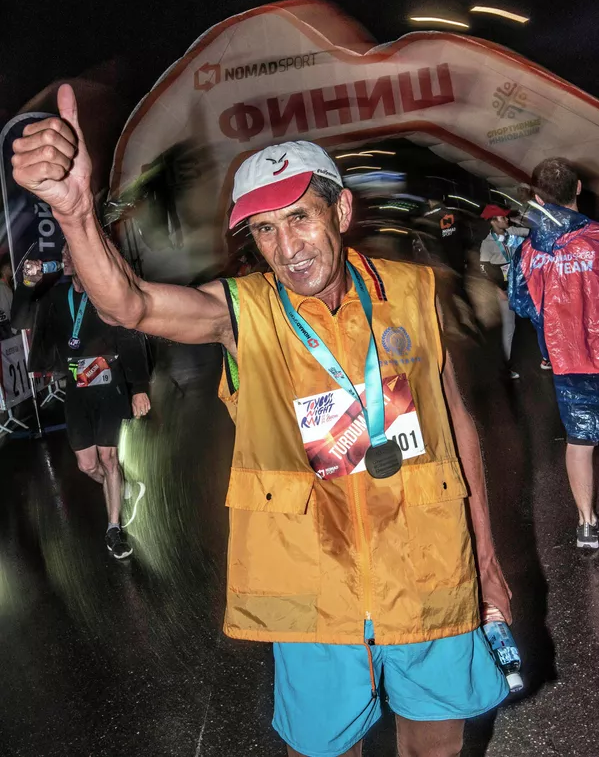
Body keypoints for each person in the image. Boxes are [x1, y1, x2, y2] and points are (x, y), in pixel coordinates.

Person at [11, 85, 512, 757]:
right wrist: (75, 217)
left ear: (340, 210)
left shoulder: (414, 293)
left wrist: (486, 561)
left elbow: (456, 427)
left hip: (427, 565)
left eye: (299, 217)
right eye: (265, 229)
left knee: (436, 743)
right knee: (326, 747)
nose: (287, 246)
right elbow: (130, 305)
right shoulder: (243, 311)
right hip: (311, 584)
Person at [18, 241, 150, 559]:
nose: (65, 257)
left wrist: (139, 387)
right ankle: (120, 487)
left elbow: (130, 336)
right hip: (77, 391)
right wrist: (27, 284)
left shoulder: (107, 295)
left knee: (108, 458)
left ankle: (114, 529)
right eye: (63, 253)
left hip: (110, 385)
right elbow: (20, 319)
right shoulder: (56, 298)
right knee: (87, 465)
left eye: (71, 252)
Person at [510, 157, 599, 550]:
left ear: (539, 197)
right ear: (578, 188)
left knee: (580, 441)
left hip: (568, 359)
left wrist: (551, 328)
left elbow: (522, 303)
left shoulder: (528, 251)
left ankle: (587, 525)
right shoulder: (596, 237)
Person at [479, 205, 531, 378]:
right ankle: (505, 367)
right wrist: (497, 288)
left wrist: (519, 222)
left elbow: (530, 232)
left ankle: (547, 356)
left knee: (536, 317)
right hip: (504, 288)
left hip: (521, 284)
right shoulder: (487, 244)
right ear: (493, 221)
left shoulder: (512, 232)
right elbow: (484, 268)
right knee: (509, 326)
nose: (506, 220)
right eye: (503, 218)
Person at [0, 256, 15, 338]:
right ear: (4, 268)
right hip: (8, 331)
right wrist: (14, 330)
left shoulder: (8, 285)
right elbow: (5, 309)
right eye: (10, 266)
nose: (12, 268)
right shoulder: (2, 287)